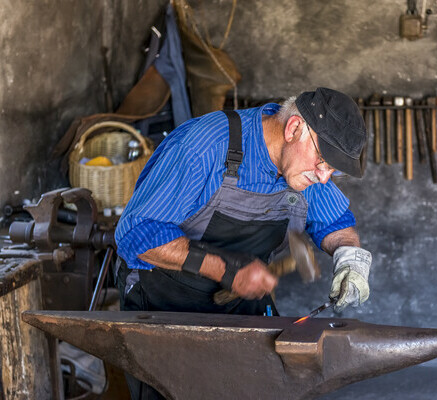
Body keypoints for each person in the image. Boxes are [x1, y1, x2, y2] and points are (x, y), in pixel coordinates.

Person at [114, 87, 373, 398]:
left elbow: (336, 223)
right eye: (322, 161)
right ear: (294, 129)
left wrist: (350, 257)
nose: (323, 177)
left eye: (333, 170)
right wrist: (225, 268)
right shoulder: (204, 146)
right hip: (165, 307)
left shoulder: (303, 171)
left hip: (241, 309)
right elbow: (136, 235)